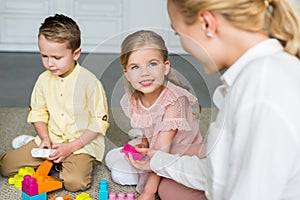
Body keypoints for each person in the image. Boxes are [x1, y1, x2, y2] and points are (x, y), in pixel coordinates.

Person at [126, 0, 300, 199]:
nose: (183, 44)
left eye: (178, 33)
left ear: (207, 23)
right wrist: (157, 161)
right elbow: (222, 173)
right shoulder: (255, 76)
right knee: (170, 189)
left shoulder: (261, 86)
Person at [0, 14, 109, 192]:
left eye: (57, 58)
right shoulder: (43, 80)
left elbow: (99, 123)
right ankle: (52, 159)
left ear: (76, 54)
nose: (50, 63)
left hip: (80, 144)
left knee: (74, 183)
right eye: (44, 56)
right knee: (5, 166)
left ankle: (62, 163)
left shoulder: (90, 83)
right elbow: (38, 112)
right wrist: (44, 138)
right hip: (51, 139)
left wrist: (71, 147)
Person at [105, 30, 206, 200]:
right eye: (135, 67)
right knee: (114, 156)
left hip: (178, 153)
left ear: (165, 67)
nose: (144, 73)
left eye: (152, 64)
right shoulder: (135, 98)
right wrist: (144, 141)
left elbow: (161, 150)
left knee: (124, 174)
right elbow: (148, 128)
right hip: (157, 147)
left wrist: (148, 192)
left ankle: (155, 181)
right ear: (127, 74)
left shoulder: (175, 101)